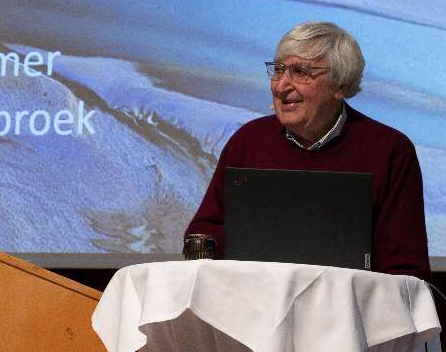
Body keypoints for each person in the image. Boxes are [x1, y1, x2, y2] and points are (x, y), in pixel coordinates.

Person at [184, 21, 431, 280]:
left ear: (341, 85)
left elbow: (404, 268)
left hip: (346, 313)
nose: (280, 86)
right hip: (253, 307)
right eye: (278, 70)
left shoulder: (389, 150)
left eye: (300, 72)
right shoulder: (248, 141)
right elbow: (204, 232)